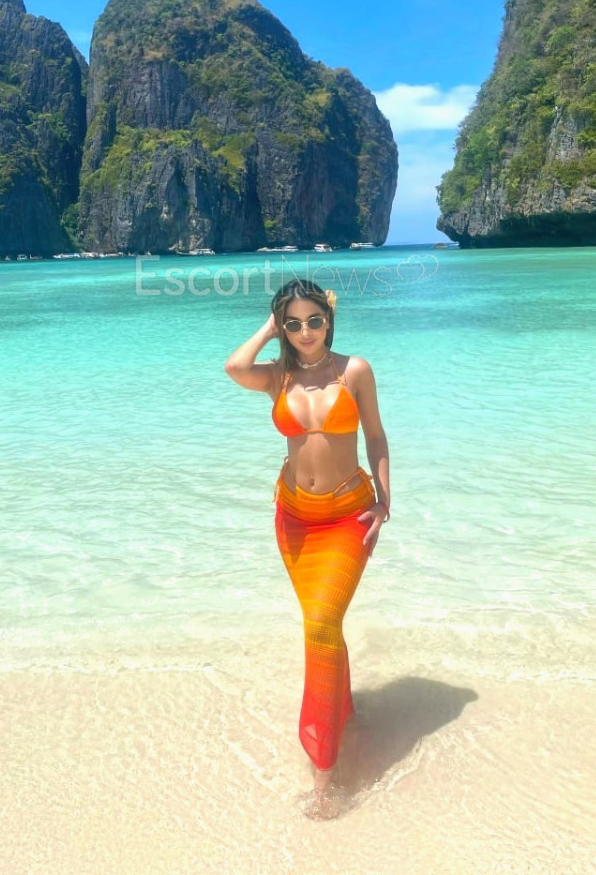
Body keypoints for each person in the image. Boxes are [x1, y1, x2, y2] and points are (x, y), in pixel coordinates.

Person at [224, 278, 390, 816]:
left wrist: (385, 501)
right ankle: (343, 710)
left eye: (314, 320)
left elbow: (375, 435)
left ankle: (324, 776)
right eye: (292, 324)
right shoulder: (278, 376)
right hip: (294, 519)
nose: (305, 331)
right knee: (325, 625)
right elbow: (234, 367)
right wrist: (269, 328)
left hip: (347, 515)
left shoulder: (355, 371)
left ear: (329, 320)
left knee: (320, 624)